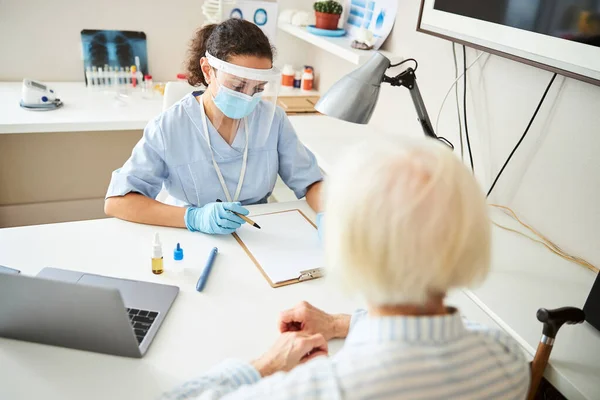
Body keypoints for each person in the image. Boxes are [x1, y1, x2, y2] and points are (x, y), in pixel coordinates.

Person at [162, 137, 530, 399]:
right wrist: (340, 323)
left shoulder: (321, 389)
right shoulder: (507, 360)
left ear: (347, 246)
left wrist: (266, 365)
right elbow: (450, 332)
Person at [104, 19, 323, 235]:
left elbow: (311, 182)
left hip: (257, 236)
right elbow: (117, 202)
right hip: (190, 236)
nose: (248, 97)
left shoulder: (273, 119)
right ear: (208, 71)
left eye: (258, 88)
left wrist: (330, 216)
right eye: (237, 86)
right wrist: (194, 218)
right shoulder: (169, 127)